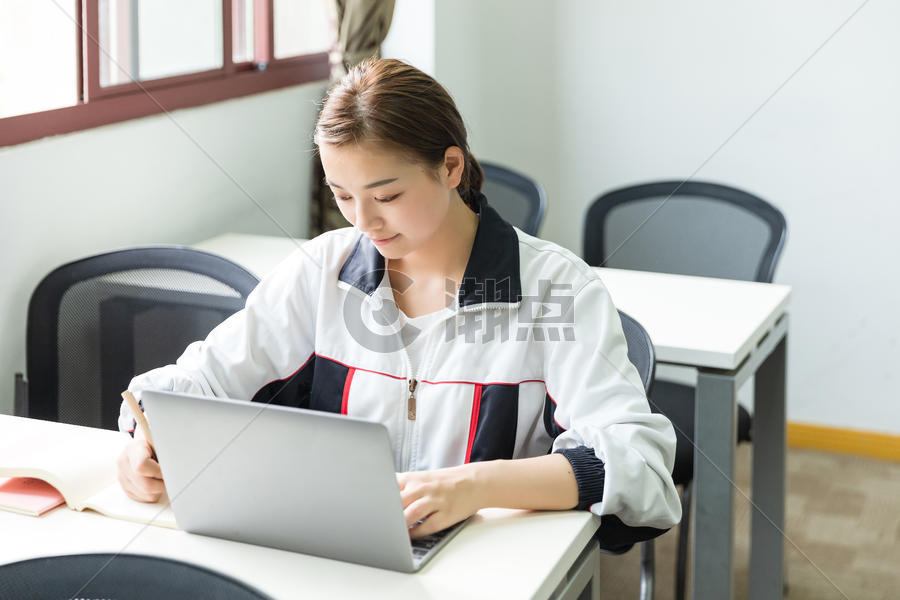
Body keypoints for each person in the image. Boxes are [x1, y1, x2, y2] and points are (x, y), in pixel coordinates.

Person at [117, 58, 680, 546]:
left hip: (489, 568)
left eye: (387, 196)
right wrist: (146, 444)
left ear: (451, 168)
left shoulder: (556, 290)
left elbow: (638, 464)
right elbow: (190, 386)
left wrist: (472, 487)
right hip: (334, 556)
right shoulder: (323, 272)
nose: (364, 222)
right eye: (342, 197)